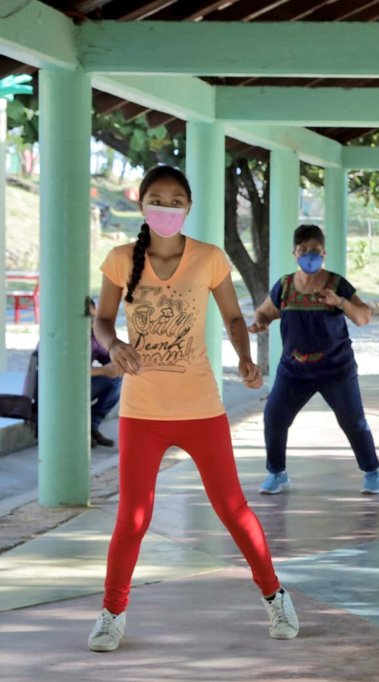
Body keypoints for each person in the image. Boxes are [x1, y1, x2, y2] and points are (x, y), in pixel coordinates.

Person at [89, 165, 299, 653]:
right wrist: (113, 343)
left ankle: (275, 595)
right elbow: (101, 319)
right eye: (157, 199)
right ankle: (111, 613)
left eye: (176, 199)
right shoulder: (122, 259)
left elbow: (231, 315)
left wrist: (245, 358)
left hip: (201, 408)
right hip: (142, 412)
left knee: (232, 508)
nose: (166, 207)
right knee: (134, 518)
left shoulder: (208, 257)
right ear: (142, 205)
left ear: (188, 206)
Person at [249, 224, 379, 495]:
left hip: (336, 369)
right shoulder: (285, 286)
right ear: (294, 253)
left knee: (353, 421)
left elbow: (363, 317)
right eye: (304, 250)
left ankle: (372, 471)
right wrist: (260, 322)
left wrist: (340, 302)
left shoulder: (336, 284)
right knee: (274, 416)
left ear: (325, 253)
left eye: (316, 251)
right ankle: (277, 473)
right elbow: (265, 311)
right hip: (294, 369)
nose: (310, 255)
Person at [88, 297, 122, 448]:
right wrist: (103, 370)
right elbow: (66, 374)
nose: (90, 321)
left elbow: (108, 358)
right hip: (54, 392)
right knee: (109, 376)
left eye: (92, 316)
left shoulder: (92, 335)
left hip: (78, 386)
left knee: (115, 380)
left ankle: (92, 426)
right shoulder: (61, 335)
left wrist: (117, 364)